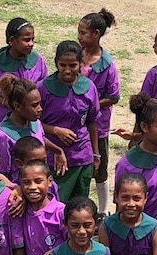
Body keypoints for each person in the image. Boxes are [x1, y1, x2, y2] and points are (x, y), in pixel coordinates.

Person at [39, 40, 100, 202]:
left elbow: (92, 122)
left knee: (79, 206)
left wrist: (95, 154)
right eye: (62, 65)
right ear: (56, 63)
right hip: (54, 159)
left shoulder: (89, 87)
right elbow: (32, 123)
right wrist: (55, 130)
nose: (67, 70)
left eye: (72, 65)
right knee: (57, 204)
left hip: (83, 157)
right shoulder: (43, 88)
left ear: (80, 64)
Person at [78, 9, 119, 216]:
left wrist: (90, 104)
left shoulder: (107, 65)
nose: (79, 37)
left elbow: (114, 96)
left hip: (99, 126)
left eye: (83, 32)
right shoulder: (75, 56)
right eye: (79, 32)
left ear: (96, 34)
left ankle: (103, 211)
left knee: (100, 167)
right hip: (76, 124)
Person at [0, 17, 48, 133]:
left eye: (32, 39)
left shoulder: (37, 61)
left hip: (30, 120)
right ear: (12, 40)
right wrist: (5, 102)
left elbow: (43, 87)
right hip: (4, 121)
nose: (31, 44)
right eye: (26, 40)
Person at [0, 75, 48, 183]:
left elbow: (41, 140)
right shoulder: (2, 136)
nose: (40, 109)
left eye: (40, 103)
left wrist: (58, 151)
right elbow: (0, 175)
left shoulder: (36, 123)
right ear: (17, 106)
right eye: (34, 105)